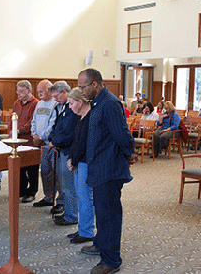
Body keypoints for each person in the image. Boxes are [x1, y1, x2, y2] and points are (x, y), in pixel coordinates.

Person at [77, 68, 137, 274]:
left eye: (83, 86)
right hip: (99, 167)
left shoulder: (110, 103)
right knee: (101, 212)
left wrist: (130, 153)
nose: (80, 91)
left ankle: (111, 261)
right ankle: (100, 245)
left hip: (109, 169)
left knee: (109, 215)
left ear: (95, 84)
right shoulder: (98, 102)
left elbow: (121, 134)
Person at [66, 88, 95, 243]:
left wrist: (74, 160)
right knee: (81, 197)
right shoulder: (81, 117)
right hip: (78, 162)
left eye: (71, 103)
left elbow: (86, 145)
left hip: (85, 162)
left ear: (80, 102)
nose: (70, 107)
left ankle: (87, 232)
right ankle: (82, 228)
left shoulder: (91, 117)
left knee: (86, 198)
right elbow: (75, 142)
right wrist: (71, 158)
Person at [49, 81, 80, 226]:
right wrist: (52, 140)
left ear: (63, 91)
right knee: (65, 185)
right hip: (62, 150)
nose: (55, 99)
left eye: (56, 96)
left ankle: (71, 216)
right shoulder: (64, 108)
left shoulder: (72, 110)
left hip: (69, 151)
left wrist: (55, 142)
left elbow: (68, 133)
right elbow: (56, 127)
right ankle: (68, 212)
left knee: (69, 186)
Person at [31, 80, 61, 211]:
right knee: (45, 172)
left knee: (57, 173)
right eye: (38, 91)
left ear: (49, 89)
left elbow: (53, 124)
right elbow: (34, 121)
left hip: (51, 144)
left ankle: (60, 201)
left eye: (41, 91)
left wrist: (41, 137)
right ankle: (48, 197)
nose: (39, 94)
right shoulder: (39, 104)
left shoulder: (55, 104)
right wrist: (34, 135)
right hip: (41, 144)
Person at [9, 80, 39, 203]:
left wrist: (18, 131)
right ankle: (21, 190)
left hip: (29, 140)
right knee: (19, 167)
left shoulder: (36, 103)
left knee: (32, 168)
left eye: (21, 91)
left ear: (29, 90)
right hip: (18, 141)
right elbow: (12, 118)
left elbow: (32, 121)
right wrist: (10, 130)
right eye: (18, 91)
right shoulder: (17, 103)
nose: (18, 93)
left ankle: (32, 192)